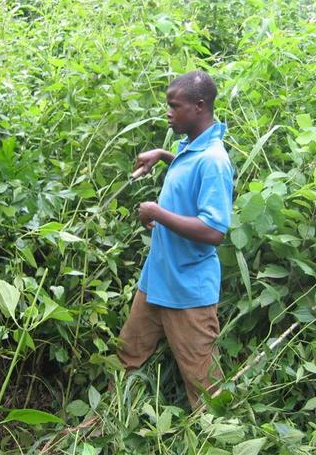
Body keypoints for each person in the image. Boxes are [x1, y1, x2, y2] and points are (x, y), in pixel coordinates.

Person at [115, 71, 234, 410]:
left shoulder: (214, 161)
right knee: (127, 355)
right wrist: (163, 155)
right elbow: (187, 168)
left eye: (173, 106)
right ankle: (113, 419)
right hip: (156, 280)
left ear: (199, 107)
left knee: (205, 387)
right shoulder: (193, 149)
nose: (168, 112)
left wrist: (156, 212)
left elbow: (214, 231)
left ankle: (212, 439)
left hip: (189, 291)